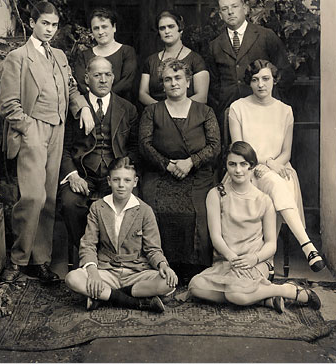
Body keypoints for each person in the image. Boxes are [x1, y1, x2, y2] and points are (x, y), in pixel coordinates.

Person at [0, 1, 95, 283]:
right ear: (32, 24)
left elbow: (72, 88)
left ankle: (39, 261)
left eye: (54, 25)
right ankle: (18, 259)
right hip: (33, 130)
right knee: (33, 196)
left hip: (57, 130)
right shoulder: (18, 57)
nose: (50, 30)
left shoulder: (61, 57)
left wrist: (83, 108)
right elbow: (8, 104)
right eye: (45, 24)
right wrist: (28, 128)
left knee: (50, 198)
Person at [188, 142, 321, 313]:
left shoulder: (264, 200)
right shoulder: (216, 194)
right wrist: (233, 259)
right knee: (195, 287)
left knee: (236, 294)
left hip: (257, 263)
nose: (238, 170)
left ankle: (287, 290)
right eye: (232, 164)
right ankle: (266, 298)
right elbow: (216, 237)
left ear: (252, 166)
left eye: (244, 164)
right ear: (226, 166)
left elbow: (271, 244)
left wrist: (254, 259)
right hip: (228, 261)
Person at [228, 59, 325, 272]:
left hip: (279, 167)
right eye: (255, 80)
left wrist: (271, 165)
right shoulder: (238, 108)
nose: (260, 84)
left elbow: (286, 152)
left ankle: (268, 260)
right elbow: (239, 148)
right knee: (276, 182)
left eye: (265, 79)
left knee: (279, 183)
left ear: (274, 80)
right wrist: (263, 164)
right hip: (245, 169)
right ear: (249, 83)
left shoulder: (285, 110)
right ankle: (307, 245)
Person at [139, 58, 220, 283]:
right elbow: (145, 144)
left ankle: (193, 271)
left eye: (178, 78)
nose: (173, 83)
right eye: (167, 79)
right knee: (153, 207)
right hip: (160, 173)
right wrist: (167, 164)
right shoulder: (152, 111)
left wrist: (191, 162)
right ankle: (159, 266)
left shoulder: (205, 112)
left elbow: (215, 146)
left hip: (197, 175)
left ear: (188, 82)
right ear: (162, 84)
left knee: (199, 212)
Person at [65, 157, 178, 313]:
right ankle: (135, 302)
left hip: (136, 272)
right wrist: (93, 273)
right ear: (109, 181)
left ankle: (104, 296)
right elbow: (88, 244)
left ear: (135, 182)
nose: (121, 185)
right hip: (107, 270)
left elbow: (153, 249)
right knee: (72, 279)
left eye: (127, 180)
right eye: (116, 179)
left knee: (168, 283)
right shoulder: (98, 207)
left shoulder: (144, 210)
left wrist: (163, 265)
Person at [59, 56, 138, 248]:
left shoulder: (127, 108)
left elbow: (135, 148)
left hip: (115, 174)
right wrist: (73, 175)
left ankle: (115, 255)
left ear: (113, 78)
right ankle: (84, 251)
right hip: (83, 174)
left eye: (107, 75)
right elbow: (63, 148)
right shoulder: (73, 109)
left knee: (132, 203)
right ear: (87, 78)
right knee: (70, 203)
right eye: (97, 75)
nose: (103, 80)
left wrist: (123, 172)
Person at [208, 0, 295, 128]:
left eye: (234, 6)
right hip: (230, 113)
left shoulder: (265, 36)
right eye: (225, 9)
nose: (230, 12)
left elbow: (285, 73)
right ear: (220, 15)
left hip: (264, 112)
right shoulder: (215, 45)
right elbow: (213, 84)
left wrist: (269, 99)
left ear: (245, 8)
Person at [139, 9, 209, 105]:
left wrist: (176, 109)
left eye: (171, 26)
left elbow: (202, 96)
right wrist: (161, 110)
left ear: (180, 29)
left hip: (187, 114)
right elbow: (143, 94)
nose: (167, 31)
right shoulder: (151, 61)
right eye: (162, 28)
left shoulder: (196, 60)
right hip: (157, 113)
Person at [74, 8, 137, 101]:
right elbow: (81, 84)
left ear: (114, 27)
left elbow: (126, 83)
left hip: (120, 106)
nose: (100, 32)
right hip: (91, 106)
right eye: (96, 28)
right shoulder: (84, 56)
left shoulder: (127, 52)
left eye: (104, 27)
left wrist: (103, 98)